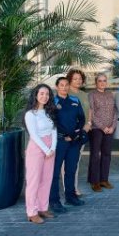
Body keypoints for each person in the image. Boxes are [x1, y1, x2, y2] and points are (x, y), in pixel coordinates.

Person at [49, 77, 86, 214]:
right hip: (60, 141)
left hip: (74, 141)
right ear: (57, 87)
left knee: (71, 170)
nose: (64, 87)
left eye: (66, 85)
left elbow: (81, 119)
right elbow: (52, 121)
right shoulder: (53, 102)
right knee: (55, 172)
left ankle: (71, 197)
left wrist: (76, 133)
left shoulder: (75, 101)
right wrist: (66, 134)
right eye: (61, 85)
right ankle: (54, 201)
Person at [24, 84, 57, 224]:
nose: (45, 96)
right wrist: (46, 149)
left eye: (47, 94)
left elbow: (54, 130)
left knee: (46, 179)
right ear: (36, 95)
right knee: (33, 181)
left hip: (50, 148)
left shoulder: (49, 112)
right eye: (42, 93)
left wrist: (53, 148)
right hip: (37, 148)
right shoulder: (30, 114)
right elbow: (34, 134)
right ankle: (31, 212)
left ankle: (43, 208)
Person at [87, 73, 117, 192]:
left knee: (107, 154)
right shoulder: (92, 95)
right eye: (100, 81)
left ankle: (104, 179)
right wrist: (102, 126)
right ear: (96, 82)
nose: (102, 82)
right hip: (96, 129)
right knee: (95, 155)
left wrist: (113, 126)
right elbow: (91, 113)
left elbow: (115, 112)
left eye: (104, 80)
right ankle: (94, 181)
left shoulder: (110, 94)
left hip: (109, 129)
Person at [66, 69, 90, 198]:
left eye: (80, 78)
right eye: (75, 78)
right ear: (70, 79)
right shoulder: (66, 93)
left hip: (82, 133)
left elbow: (89, 112)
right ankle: (69, 189)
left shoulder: (84, 94)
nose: (78, 81)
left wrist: (89, 124)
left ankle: (74, 188)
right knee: (67, 164)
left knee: (76, 162)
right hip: (69, 134)